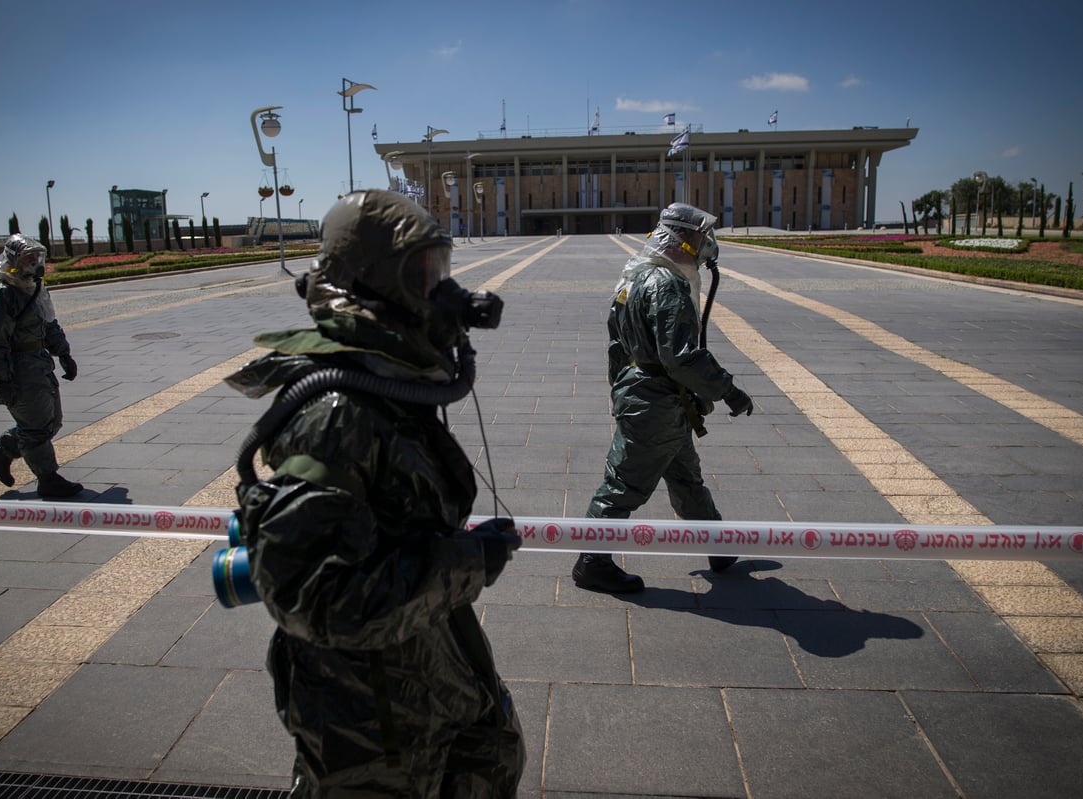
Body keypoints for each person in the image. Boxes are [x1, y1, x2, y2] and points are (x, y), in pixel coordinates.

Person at [225, 189, 525, 797]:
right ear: (374, 283)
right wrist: (467, 563)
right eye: (422, 274)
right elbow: (317, 599)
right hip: (371, 725)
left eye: (440, 270)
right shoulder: (339, 414)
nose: (439, 291)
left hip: (423, 673)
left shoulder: (381, 384)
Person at [573, 203, 754, 593]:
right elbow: (682, 356)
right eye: (699, 236)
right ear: (682, 239)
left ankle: (719, 546)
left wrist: (623, 387)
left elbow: (615, 346)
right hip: (655, 404)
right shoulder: (666, 284)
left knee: (687, 478)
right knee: (622, 485)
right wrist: (728, 391)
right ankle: (592, 562)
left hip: (656, 399)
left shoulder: (634, 278)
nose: (706, 243)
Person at [0, 234, 83, 498]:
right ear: (13, 261)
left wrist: (63, 353)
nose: (35, 264)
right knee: (36, 426)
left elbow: (49, 322)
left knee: (51, 421)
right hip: (18, 367)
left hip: (38, 362)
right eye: (28, 258)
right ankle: (48, 479)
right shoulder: (1, 293)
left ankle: (2, 452)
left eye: (37, 258)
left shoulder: (32, 287)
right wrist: (2, 380)